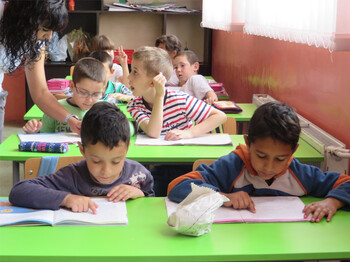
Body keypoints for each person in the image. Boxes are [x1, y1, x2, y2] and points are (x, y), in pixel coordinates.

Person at [167, 101, 350, 223]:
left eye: (280, 159)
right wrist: (223, 196)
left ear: (293, 151)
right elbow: (177, 186)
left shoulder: (299, 173)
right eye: (261, 156)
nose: (269, 167)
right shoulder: (231, 167)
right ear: (248, 143)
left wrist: (332, 202)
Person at [9, 102, 154, 213]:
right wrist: (66, 199)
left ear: (127, 149)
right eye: (96, 161)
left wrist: (140, 193)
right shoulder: (72, 175)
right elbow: (19, 191)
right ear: (82, 150)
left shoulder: (139, 174)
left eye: (116, 161)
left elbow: (151, 206)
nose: (106, 171)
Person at [127, 46, 226, 196]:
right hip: (156, 167)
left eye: (135, 72)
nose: (129, 77)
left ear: (154, 81)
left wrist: (189, 132)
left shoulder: (179, 99)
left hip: (185, 166)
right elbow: (154, 132)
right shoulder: (135, 104)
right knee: (154, 188)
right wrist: (160, 96)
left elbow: (220, 116)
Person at [0, 0, 81, 142]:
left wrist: (70, 119)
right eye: (45, 29)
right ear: (24, 19)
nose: (49, 36)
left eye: (52, 31)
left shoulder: (36, 43)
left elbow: (41, 92)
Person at [22, 57, 106, 134]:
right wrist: (34, 132)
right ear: (72, 86)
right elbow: (44, 137)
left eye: (96, 94)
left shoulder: (104, 111)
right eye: (83, 92)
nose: (89, 100)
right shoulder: (53, 108)